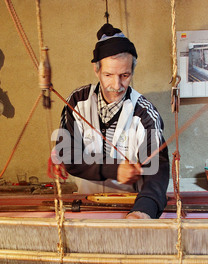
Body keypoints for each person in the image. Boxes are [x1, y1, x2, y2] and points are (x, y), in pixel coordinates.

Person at [54, 23, 169, 219]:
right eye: (108, 75)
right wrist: (114, 169)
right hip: (86, 206)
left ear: (132, 71)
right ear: (96, 70)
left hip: (132, 206)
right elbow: (67, 155)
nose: (117, 85)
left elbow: (157, 170)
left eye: (125, 75)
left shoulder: (145, 114)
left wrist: (144, 211)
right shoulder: (77, 102)